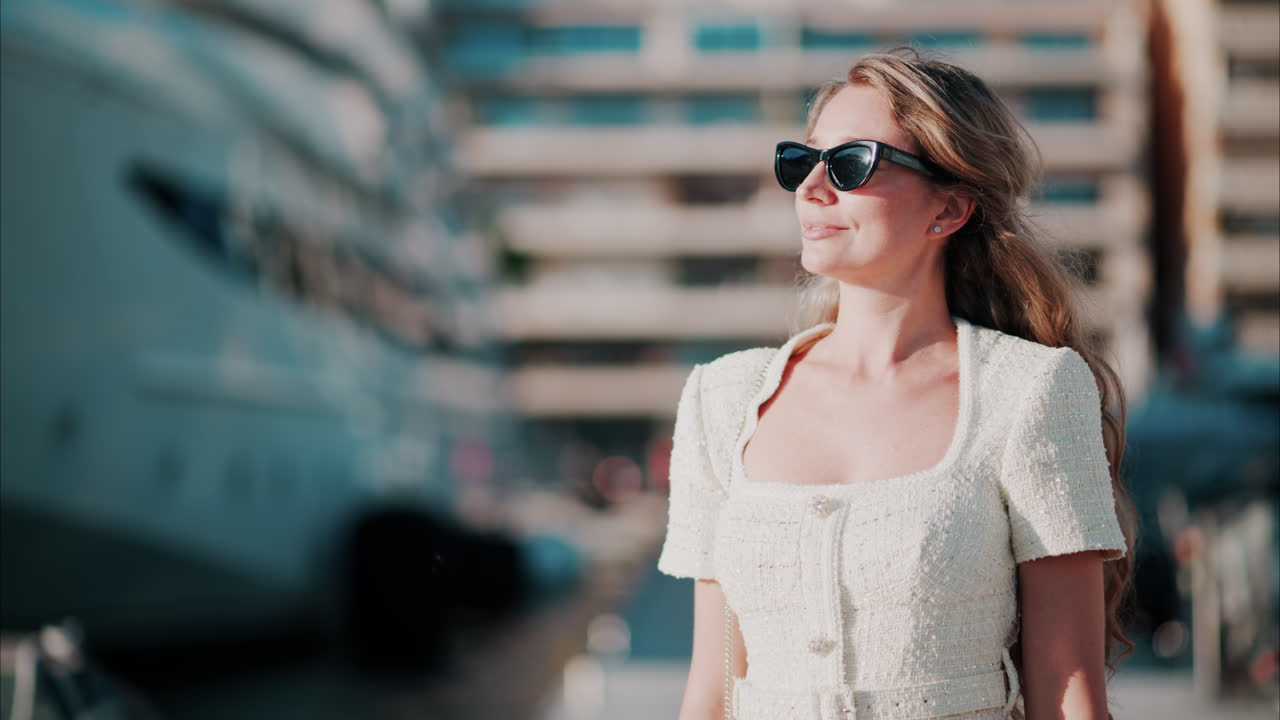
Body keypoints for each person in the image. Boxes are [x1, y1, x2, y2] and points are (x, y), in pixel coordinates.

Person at [656, 48, 1137, 720]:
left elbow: (1068, 690)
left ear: (949, 208)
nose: (811, 190)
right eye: (802, 161)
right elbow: (712, 690)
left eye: (851, 165)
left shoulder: (1031, 392)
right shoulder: (722, 399)